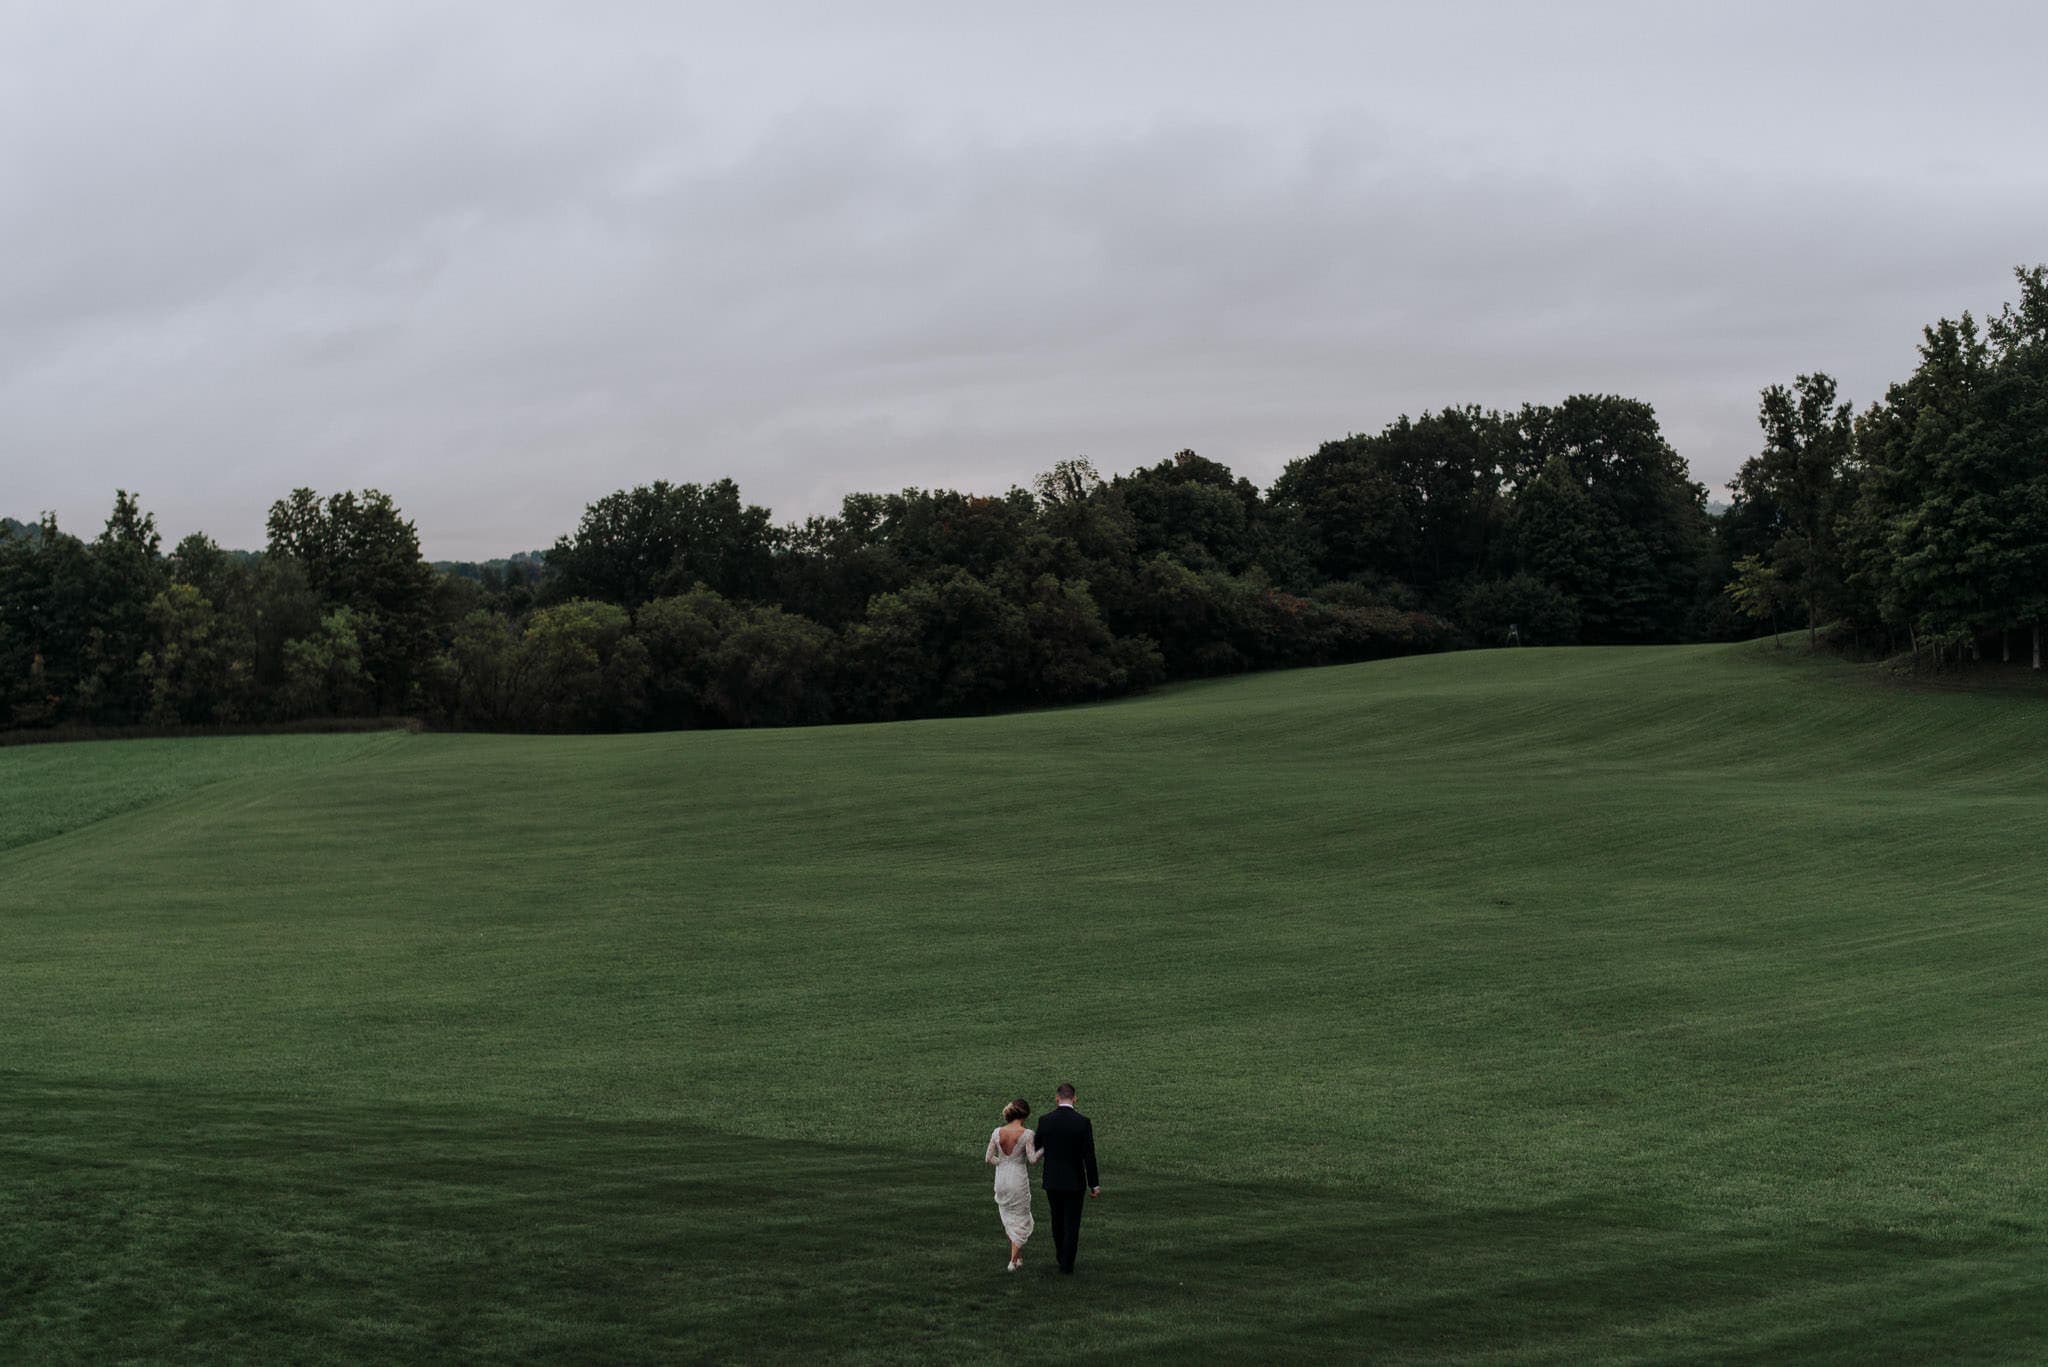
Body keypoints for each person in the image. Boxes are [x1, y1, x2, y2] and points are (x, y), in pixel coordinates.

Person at [1033, 1081, 1100, 1274]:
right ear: (1074, 1099)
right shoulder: (1082, 1122)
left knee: (1057, 1219)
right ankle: (1067, 1263)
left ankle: (1060, 1254)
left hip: (1052, 1179)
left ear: (1057, 1098)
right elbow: (1089, 1155)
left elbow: (1038, 1146)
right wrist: (1093, 1184)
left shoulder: (1045, 1120)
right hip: (1075, 1180)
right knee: (1072, 1222)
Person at [983, 1098, 1042, 1271]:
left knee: (1009, 1216)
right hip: (1017, 1178)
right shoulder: (1027, 1134)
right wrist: (1044, 1149)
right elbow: (1032, 1159)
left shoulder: (997, 1132)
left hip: (1001, 1178)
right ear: (1025, 1115)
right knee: (1022, 1217)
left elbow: (988, 1158)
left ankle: (1018, 1258)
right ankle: (1012, 1261)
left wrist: (1002, 1163)